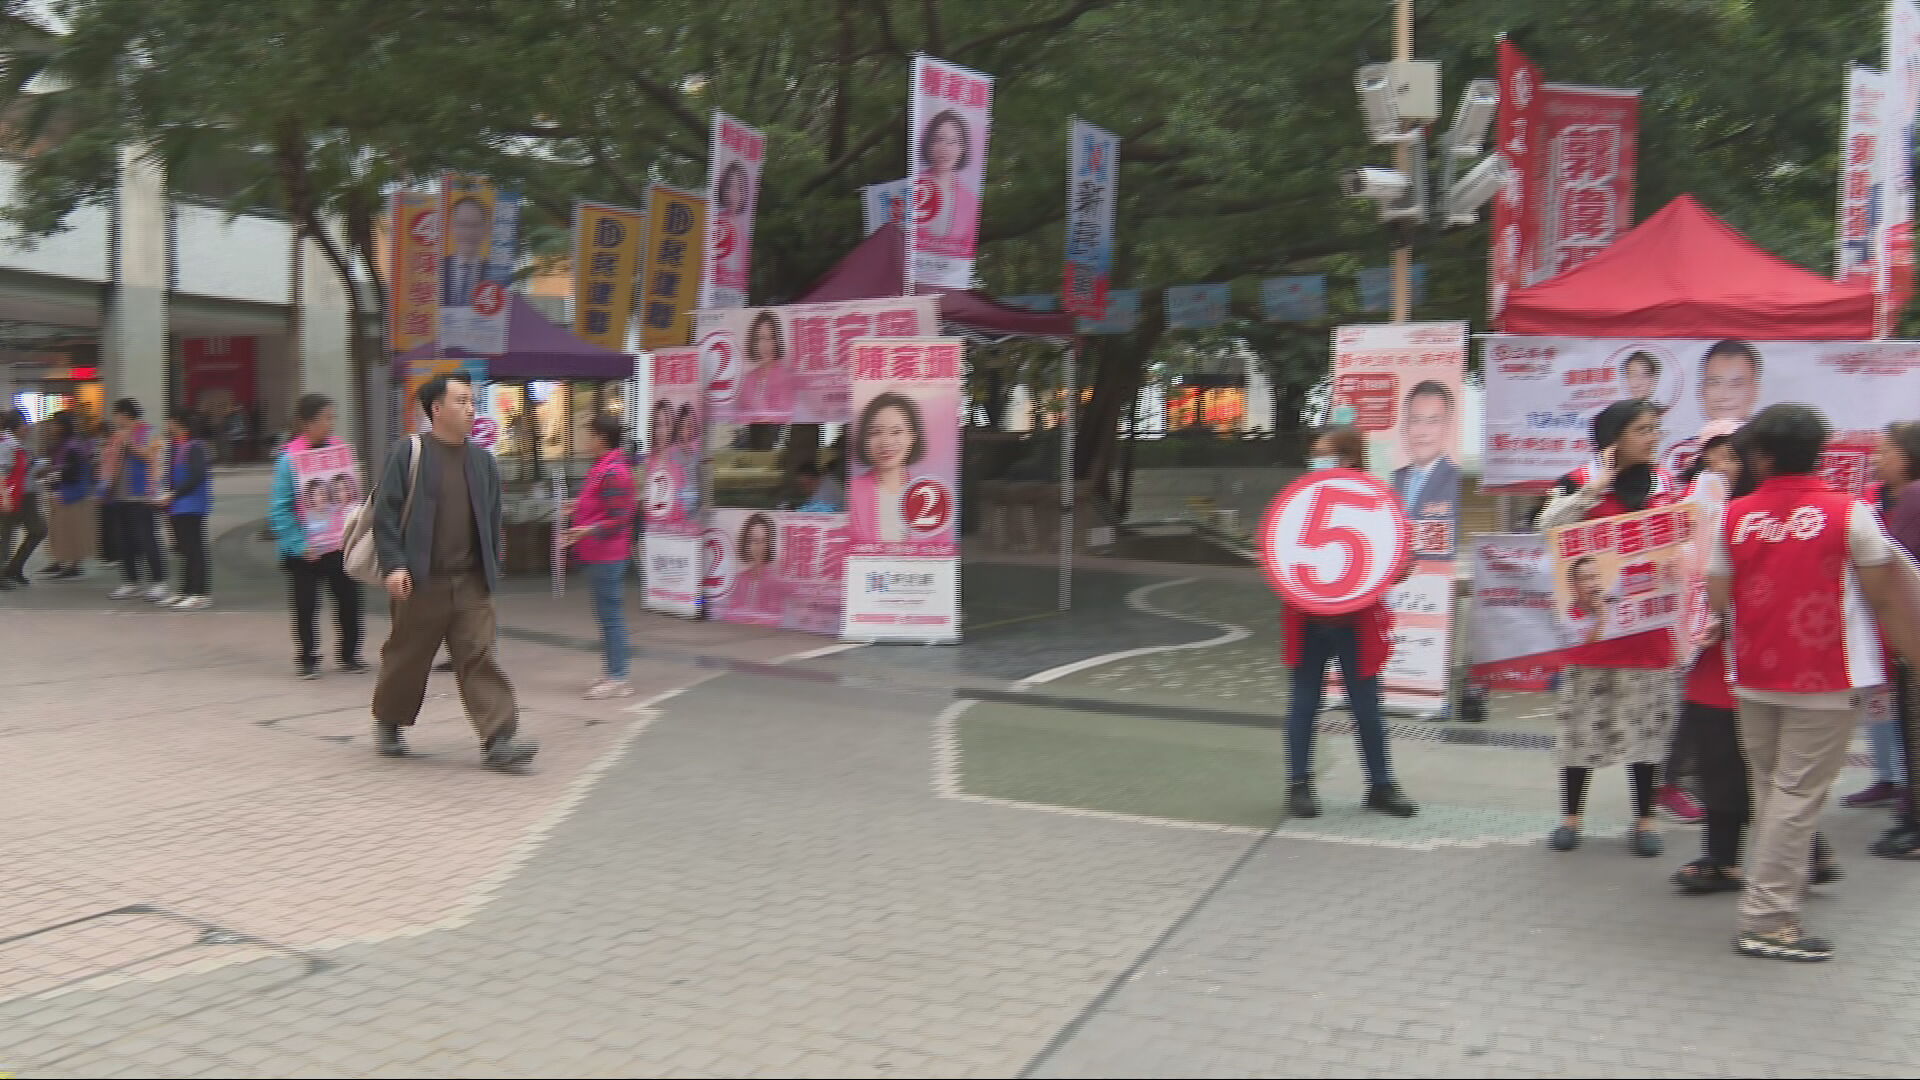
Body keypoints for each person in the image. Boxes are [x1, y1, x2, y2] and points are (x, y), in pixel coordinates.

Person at [1711, 404, 1920, 961]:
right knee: (1797, 795)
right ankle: (1766, 918)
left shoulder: (1733, 515)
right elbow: (1885, 599)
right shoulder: (1850, 513)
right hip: (1828, 676)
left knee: (1773, 790)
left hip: (1753, 673)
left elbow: (1716, 596)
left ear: (1761, 456)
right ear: (1818, 453)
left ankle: (1782, 887)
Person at [1672, 433, 1840, 893]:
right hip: (1712, 662)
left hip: (1754, 661)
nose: (1721, 467)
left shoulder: (1760, 516)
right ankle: (1730, 858)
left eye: (1733, 458)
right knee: (1721, 762)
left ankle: (1795, 856)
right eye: (1717, 457)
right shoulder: (1704, 508)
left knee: (1761, 767)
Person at [371, 373, 536, 770]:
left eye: (472, 401)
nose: (470, 409)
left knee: (480, 656)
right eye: (461, 401)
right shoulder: (409, 453)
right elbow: (385, 515)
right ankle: (389, 720)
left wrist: (492, 565)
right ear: (436, 409)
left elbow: (492, 519)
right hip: (420, 581)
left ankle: (498, 739)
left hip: (470, 582)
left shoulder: (482, 462)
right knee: (407, 657)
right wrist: (394, 565)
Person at [1537, 400, 1679, 857]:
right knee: (1582, 728)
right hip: (1591, 637)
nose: (1653, 437)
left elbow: (1686, 544)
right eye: (1643, 429)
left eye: (1656, 429)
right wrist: (1592, 492)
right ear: (1614, 437)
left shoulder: (1667, 484)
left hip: (1648, 635)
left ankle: (1645, 818)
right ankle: (1570, 817)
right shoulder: (1576, 482)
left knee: (1646, 730)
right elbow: (1545, 529)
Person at [1282, 426, 1418, 820]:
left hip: (1356, 621)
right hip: (1308, 618)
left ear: (1349, 458)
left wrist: (1398, 565)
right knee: (1304, 703)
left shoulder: (1376, 500)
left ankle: (1380, 785)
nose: (1316, 460)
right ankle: (1299, 784)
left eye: (1324, 453)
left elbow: (1400, 556)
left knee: (1366, 707)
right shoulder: (1302, 499)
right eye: (1314, 454)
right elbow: (1280, 547)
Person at [268, 394, 366, 679]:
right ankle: (308, 658)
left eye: (333, 418)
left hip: (340, 545)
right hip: (306, 549)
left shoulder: (339, 451)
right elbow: (281, 508)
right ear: (307, 423)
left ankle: (350, 654)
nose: (331, 423)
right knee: (306, 606)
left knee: (349, 601)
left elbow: (352, 496)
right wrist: (298, 544)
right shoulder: (289, 460)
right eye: (326, 418)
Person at [1869, 421, 1920, 859]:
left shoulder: (1913, 497)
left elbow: (1895, 568)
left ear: (1906, 457)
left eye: (1885, 450)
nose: (1877, 458)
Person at [564, 414, 638, 700]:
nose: (586, 440)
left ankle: (618, 678)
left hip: (608, 556)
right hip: (597, 554)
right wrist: (577, 507)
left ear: (601, 438)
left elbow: (621, 519)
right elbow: (600, 506)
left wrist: (587, 530)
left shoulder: (614, 472)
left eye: (590, 434)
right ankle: (613, 673)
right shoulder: (602, 468)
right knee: (606, 616)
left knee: (611, 617)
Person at [849, 392, 947, 546]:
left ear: (912, 437)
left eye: (896, 431)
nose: (886, 442)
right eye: (875, 432)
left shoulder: (931, 495)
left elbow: (942, 550)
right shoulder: (851, 491)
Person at [102, 398, 170, 602]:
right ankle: (131, 582)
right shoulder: (117, 436)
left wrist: (130, 445)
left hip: (142, 496)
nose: (114, 418)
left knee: (147, 540)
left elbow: (155, 457)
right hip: (119, 496)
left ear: (124, 414)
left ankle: (159, 583)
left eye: (115, 414)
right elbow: (109, 463)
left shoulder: (149, 432)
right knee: (124, 542)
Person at [1389, 380, 1461, 550]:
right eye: (1415, 420)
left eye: (1433, 421)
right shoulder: (1390, 479)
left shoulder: (1457, 480)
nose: (1423, 432)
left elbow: (1446, 540)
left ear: (1448, 427)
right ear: (1405, 426)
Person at [162, 407, 214, 610]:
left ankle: (200, 593)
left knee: (194, 550)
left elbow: (198, 476)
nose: (167, 425)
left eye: (169, 421)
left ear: (176, 421)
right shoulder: (177, 445)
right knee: (184, 550)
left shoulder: (195, 446)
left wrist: (174, 494)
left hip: (191, 505)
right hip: (178, 505)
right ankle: (186, 590)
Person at [915, 109, 980, 251]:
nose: (945, 148)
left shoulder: (970, 201)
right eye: (939, 139)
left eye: (953, 142)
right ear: (929, 143)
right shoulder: (911, 185)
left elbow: (967, 248)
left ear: (963, 148)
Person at [38, 411, 91, 579]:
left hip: (71, 494)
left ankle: (74, 565)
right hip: (59, 492)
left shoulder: (73, 445)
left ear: (63, 426)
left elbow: (72, 472)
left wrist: (51, 473)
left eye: (55, 424)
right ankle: (59, 561)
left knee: (72, 530)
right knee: (58, 529)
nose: (52, 427)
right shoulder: (62, 443)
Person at [0, 408, 45, 588]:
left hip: (26, 495)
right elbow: (1, 472)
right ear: (15, 426)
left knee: (38, 530)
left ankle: (14, 568)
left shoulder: (19, 444)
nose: (28, 428)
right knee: (6, 536)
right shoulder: (6, 444)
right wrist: (5, 497)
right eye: (24, 424)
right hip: (11, 495)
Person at [737, 310, 795, 417]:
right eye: (761, 338)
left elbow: (785, 416)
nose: (766, 345)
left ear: (778, 341)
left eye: (771, 338)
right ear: (754, 342)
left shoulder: (787, 377)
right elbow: (740, 417)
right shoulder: (747, 380)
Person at [729, 512, 785, 623]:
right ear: (746, 543)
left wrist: (757, 620)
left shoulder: (775, 580)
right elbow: (730, 612)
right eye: (754, 541)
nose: (760, 547)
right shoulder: (739, 579)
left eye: (764, 540)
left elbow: (777, 616)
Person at [441, 194, 494, 311]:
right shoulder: (436, 270)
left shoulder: (495, 273)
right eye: (462, 224)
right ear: (452, 227)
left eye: (475, 225)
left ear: (486, 229)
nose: (469, 232)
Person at [1558, 556, 1608, 647]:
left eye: (1596, 576)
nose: (1594, 584)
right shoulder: (1567, 624)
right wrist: (1600, 621)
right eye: (1586, 578)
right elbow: (1581, 653)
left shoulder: (1612, 604)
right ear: (1574, 586)